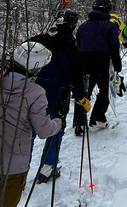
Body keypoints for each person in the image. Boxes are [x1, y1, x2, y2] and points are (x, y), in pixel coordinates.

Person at [0, 42, 63, 207]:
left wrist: (7, 57)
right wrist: (59, 121)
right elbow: (44, 131)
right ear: (36, 69)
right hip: (12, 168)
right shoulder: (35, 93)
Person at [28, 10, 87, 183]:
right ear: (73, 24)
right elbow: (77, 78)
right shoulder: (72, 46)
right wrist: (81, 98)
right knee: (55, 129)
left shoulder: (40, 39)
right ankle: (47, 169)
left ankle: (20, 170)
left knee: (28, 130)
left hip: (32, 93)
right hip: (57, 96)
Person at [75, 0, 122, 128]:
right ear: (107, 9)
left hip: (85, 61)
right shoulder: (110, 25)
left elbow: (77, 46)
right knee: (105, 90)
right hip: (103, 61)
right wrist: (118, 66)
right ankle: (98, 117)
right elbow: (114, 47)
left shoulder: (83, 26)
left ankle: (78, 123)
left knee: (85, 91)